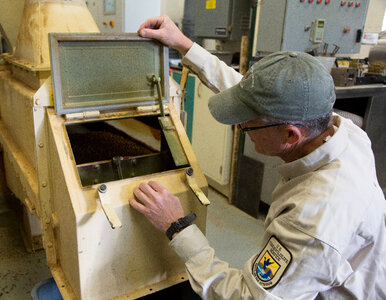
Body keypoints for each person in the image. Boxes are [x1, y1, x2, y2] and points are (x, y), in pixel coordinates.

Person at [129, 15, 386, 299]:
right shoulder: (339, 130)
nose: (240, 127)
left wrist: (177, 226)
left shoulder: (312, 221)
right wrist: (185, 45)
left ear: (290, 136)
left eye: (247, 123)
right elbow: (253, 96)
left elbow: (245, 296)